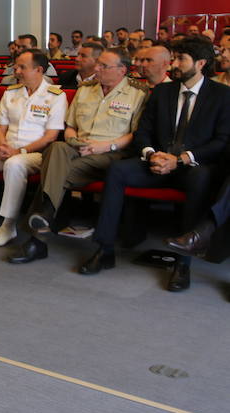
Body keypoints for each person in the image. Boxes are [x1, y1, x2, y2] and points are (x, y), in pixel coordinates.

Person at [79, 38, 230, 292]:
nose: (175, 64)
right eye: (175, 58)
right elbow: (143, 132)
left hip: (190, 166)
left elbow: (221, 141)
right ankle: (104, 249)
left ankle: (183, 263)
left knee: (201, 178)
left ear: (201, 63)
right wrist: (151, 155)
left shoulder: (221, 96)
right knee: (116, 170)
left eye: (181, 59)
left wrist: (180, 159)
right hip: (157, 162)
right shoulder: (163, 91)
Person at [9, 48, 148, 264]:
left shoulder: (138, 93)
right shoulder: (86, 89)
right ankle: (44, 216)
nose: (97, 68)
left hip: (110, 154)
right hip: (77, 148)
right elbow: (70, 126)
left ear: (122, 70)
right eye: (98, 64)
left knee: (54, 171)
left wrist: (104, 146)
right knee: (56, 149)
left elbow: (135, 134)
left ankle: (40, 230)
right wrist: (75, 142)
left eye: (104, 66)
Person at [0, 49, 66, 247]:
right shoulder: (11, 92)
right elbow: (0, 127)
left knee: (14, 164)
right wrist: (1, 146)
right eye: (16, 66)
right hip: (7, 148)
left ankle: (8, 225)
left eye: (22, 67)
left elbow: (50, 137)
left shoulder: (56, 96)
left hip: (36, 154)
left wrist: (18, 152)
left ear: (39, 70)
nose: (16, 70)